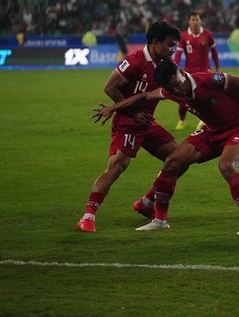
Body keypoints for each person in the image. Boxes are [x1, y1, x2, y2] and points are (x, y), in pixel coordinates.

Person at [92, 60, 239, 235]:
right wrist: (113, 107)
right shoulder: (169, 90)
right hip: (210, 132)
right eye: (171, 89)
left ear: (180, 72)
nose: (176, 91)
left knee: (226, 166)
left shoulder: (207, 80)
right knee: (172, 162)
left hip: (236, 129)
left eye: (176, 85)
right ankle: (160, 221)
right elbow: (144, 97)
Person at [76, 21, 181, 233]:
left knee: (180, 159)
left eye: (174, 45)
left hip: (148, 123)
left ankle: (147, 202)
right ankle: (87, 216)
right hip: (128, 123)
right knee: (116, 167)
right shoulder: (135, 61)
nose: (172, 49)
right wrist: (134, 113)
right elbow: (110, 87)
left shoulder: (165, 63)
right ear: (155, 42)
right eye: (169, 45)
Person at [173, 12, 219, 131]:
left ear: (200, 21)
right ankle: (182, 120)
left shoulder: (208, 35)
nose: (195, 22)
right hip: (190, 72)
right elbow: (178, 54)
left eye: (197, 19)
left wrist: (217, 67)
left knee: (206, 97)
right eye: (193, 20)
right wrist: (174, 67)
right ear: (189, 22)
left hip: (205, 72)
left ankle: (203, 120)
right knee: (184, 99)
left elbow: (214, 52)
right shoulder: (184, 36)